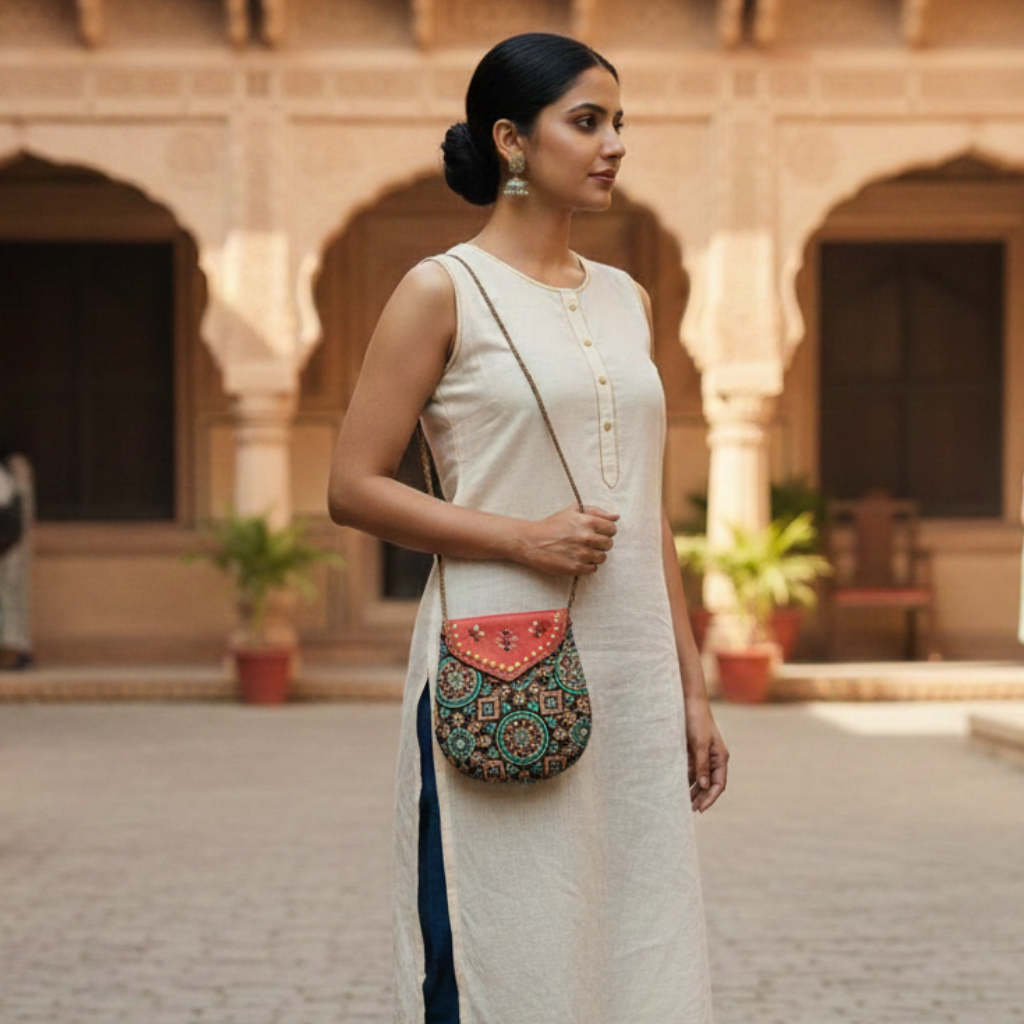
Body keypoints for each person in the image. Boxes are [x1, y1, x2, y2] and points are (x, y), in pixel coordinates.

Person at [328, 33, 727, 1024]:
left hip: (632, 671)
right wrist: (521, 539)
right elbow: (352, 486)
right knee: (502, 933)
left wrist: (691, 684)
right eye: (586, 122)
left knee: (633, 934)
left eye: (619, 122)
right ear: (511, 139)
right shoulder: (442, 289)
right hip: (502, 661)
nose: (613, 144)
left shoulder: (627, 300)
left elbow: (645, 507)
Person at [0, 444, 33, 670]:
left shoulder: (10, 478)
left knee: (11, 595)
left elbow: (12, 521)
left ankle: (15, 650)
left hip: (9, 543)